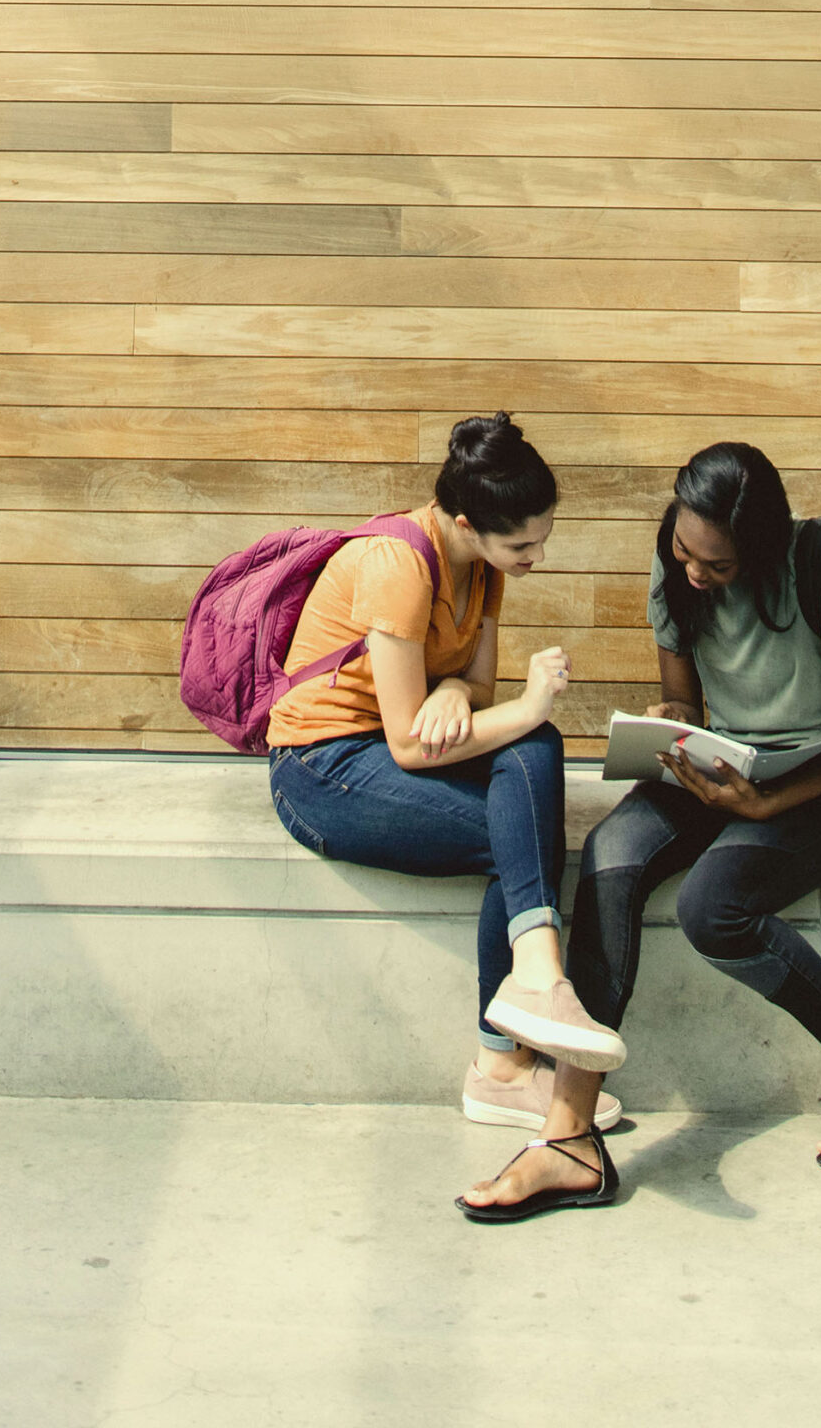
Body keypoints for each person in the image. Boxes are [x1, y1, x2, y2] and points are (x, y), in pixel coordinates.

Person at [458, 440, 821, 1223]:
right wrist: (672, 726)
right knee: (610, 855)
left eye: (716, 566)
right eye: (684, 550)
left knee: (712, 907)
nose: (694, 574)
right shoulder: (672, 561)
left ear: (762, 549)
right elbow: (683, 698)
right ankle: (569, 1140)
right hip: (735, 765)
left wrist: (766, 807)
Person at [268, 412, 627, 1131]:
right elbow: (408, 745)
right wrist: (527, 704)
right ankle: (511, 1043)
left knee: (535, 752)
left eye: (542, 540)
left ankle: (531, 993)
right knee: (518, 826)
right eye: (521, 544)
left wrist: (458, 690)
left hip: (381, 752)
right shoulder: (400, 566)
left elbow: (477, 695)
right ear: (465, 522)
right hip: (322, 769)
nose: (536, 557)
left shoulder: (481, 567)